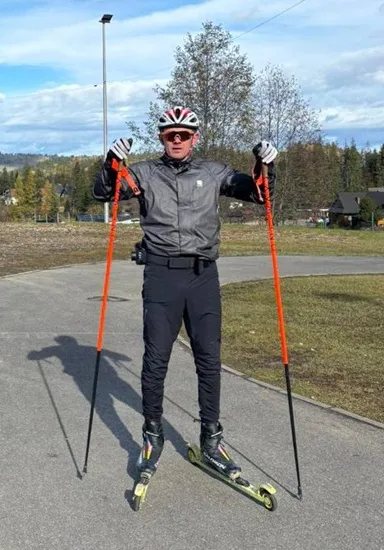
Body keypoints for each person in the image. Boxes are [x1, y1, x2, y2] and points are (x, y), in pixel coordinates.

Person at [92, 106, 278, 482]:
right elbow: (104, 193)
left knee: (209, 359)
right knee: (156, 360)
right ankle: (152, 435)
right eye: (170, 135)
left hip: (203, 277)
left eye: (184, 135)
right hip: (162, 276)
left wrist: (266, 164)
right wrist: (111, 162)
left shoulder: (214, 171)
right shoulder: (144, 173)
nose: (177, 140)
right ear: (161, 137)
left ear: (195, 138)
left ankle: (211, 439)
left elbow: (259, 194)